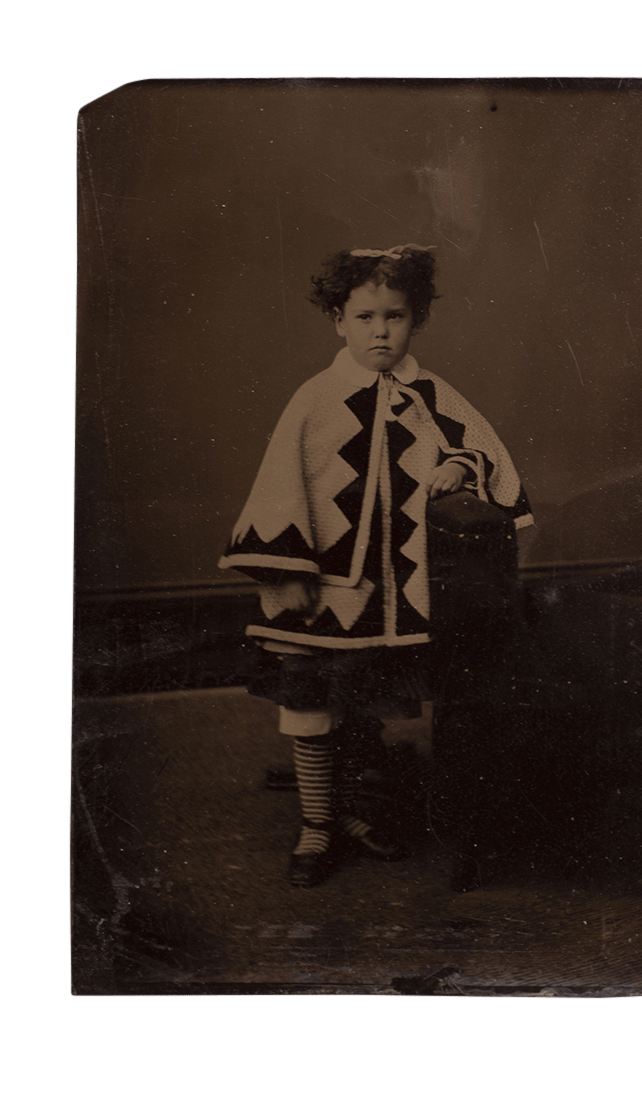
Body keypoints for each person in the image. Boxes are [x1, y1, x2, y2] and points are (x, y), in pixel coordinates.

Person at [219, 244, 533, 887]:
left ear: (415, 320)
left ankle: (350, 813)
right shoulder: (317, 399)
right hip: (320, 588)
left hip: (394, 594)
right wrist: (289, 570)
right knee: (313, 704)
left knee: (359, 705)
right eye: (364, 317)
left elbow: (480, 448)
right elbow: (281, 486)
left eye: (395, 316)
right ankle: (315, 824)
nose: (380, 331)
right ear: (339, 320)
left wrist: (460, 464)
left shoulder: (428, 393)